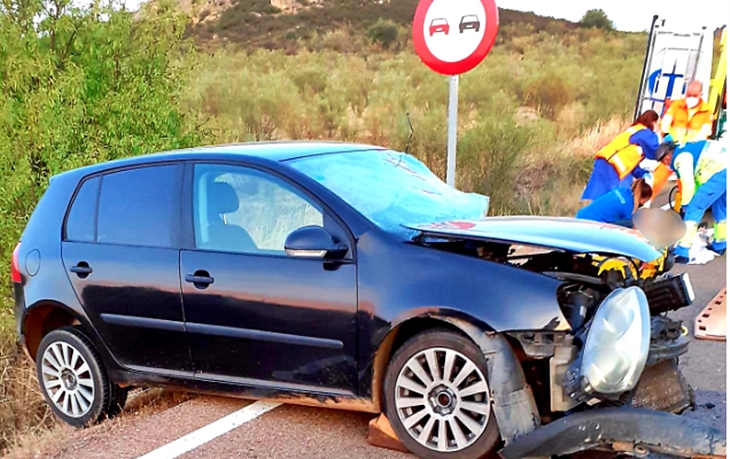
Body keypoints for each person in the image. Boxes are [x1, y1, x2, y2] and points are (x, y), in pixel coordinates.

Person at [582, 110, 661, 201]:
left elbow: (630, 162)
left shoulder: (633, 130)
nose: (658, 128)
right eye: (658, 124)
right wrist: (669, 149)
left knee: (598, 198)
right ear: (653, 122)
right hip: (615, 167)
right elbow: (656, 151)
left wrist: (642, 173)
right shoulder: (646, 133)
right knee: (621, 198)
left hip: (603, 161)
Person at [671, 138, 727, 263]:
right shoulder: (690, 147)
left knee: (694, 209)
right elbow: (695, 182)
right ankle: (720, 244)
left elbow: (688, 183)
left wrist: (685, 205)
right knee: (721, 208)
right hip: (724, 167)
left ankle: (683, 250)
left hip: (720, 172)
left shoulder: (680, 157)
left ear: (668, 155)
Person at [576, 178, 654, 227]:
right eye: (645, 200)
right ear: (642, 198)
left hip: (580, 216)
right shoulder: (628, 206)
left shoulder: (620, 190)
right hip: (592, 225)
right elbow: (629, 228)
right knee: (631, 223)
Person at [661, 80, 714, 146]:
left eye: (695, 95)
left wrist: (690, 144)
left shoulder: (707, 110)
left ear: (701, 94)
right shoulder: (676, 105)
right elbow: (665, 124)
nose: (691, 98)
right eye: (689, 95)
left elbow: (704, 132)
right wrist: (671, 137)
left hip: (693, 147)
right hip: (673, 145)